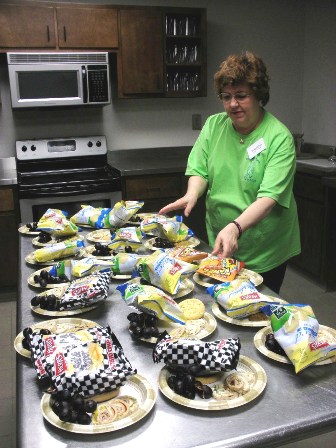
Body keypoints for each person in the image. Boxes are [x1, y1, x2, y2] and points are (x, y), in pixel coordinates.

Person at [159, 50, 301, 294]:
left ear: (259, 95)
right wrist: (193, 193)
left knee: (254, 307)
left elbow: (268, 198)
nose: (233, 104)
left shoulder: (278, 137)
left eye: (241, 96)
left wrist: (236, 226)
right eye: (226, 96)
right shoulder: (215, 125)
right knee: (222, 301)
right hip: (222, 239)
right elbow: (199, 169)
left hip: (264, 246)